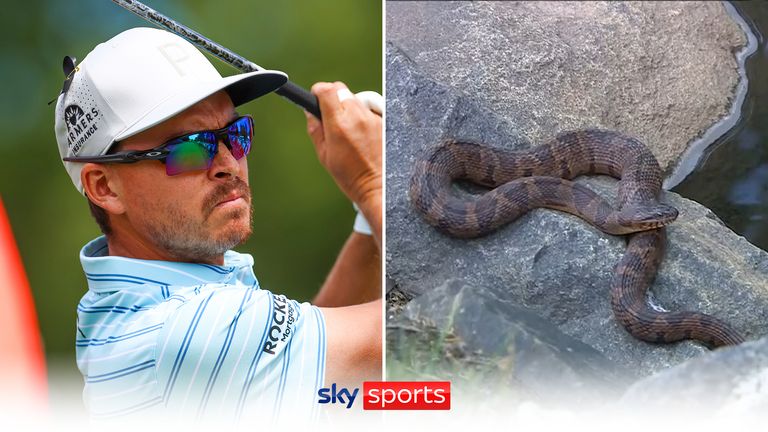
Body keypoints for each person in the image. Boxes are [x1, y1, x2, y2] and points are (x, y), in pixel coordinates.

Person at [53, 27, 381, 422]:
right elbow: (429, 333)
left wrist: (369, 217)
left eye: (235, 135)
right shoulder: (184, 331)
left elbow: (317, 355)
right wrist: (375, 182)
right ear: (104, 187)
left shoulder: (138, 308)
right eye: (191, 148)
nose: (228, 164)